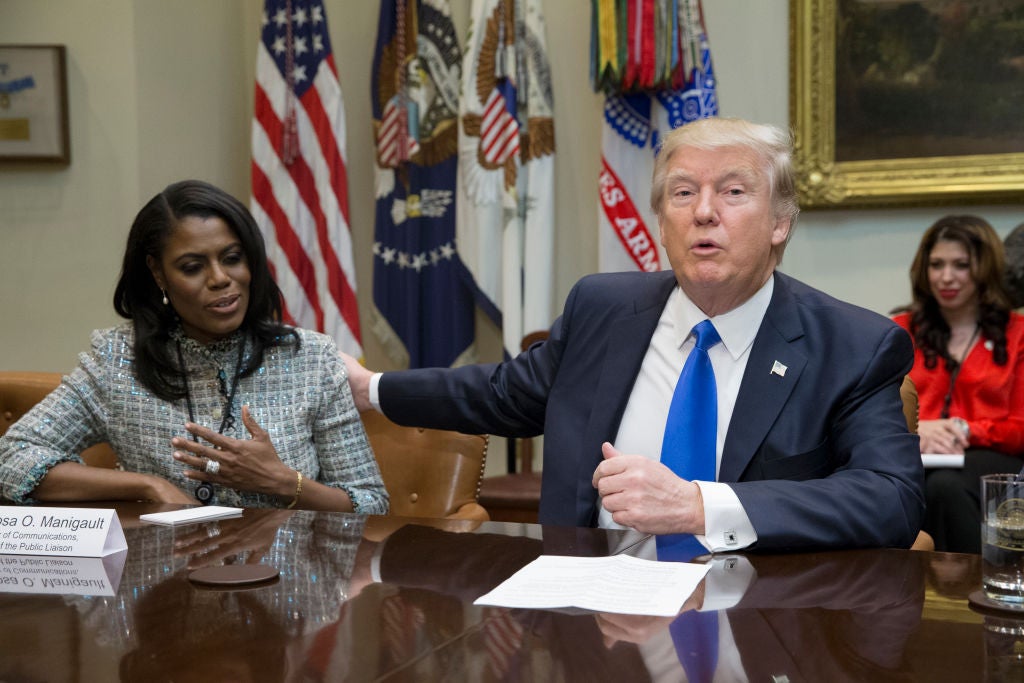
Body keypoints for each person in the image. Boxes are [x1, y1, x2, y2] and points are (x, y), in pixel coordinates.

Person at [344, 116, 924, 551]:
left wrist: (699, 506)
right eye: (682, 192)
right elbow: (502, 393)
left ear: (780, 223)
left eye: (733, 192)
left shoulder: (852, 345)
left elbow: (891, 499)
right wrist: (371, 388)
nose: (703, 212)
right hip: (592, 617)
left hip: (757, 620)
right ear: (661, 224)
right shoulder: (603, 308)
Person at [0, 180, 388, 514]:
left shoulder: (310, 358)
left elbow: (371, 503)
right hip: (164, 586)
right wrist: (145, 486)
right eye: (192, 266)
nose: (221, 279)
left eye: (232, 259)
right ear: (158, 273)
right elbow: (12, 458)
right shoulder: (117, 360)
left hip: (289, 587)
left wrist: (285, 483)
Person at [892, 215, 1024, 553]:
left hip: (993, 459)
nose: (946, 277)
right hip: (914, 456)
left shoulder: (1017, 333)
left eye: (961, 265)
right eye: (936, 265)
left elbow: (1019, 427)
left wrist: (961, 431)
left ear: (985, 269)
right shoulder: (898, 331)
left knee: (945, 485)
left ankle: (967, 588)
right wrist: (921, 431)